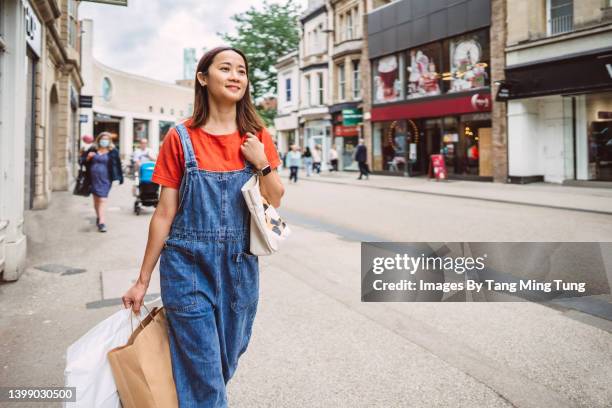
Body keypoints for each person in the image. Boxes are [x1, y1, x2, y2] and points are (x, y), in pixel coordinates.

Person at [121, 46, 284, 406]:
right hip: (187, 266)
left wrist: (262, 163)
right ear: (203, 78)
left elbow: (275, 199)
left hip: (240, 268)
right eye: (226, 68)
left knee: (224, 362)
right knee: (206, 375)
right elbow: (164, 213)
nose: (235, 76)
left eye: (241, 70)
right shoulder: (179, 137)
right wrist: (143, 279)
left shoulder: (256, 135)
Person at [80, 132, 124, 232]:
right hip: (92, 179)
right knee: (96, 200)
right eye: (102, 139)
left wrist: (120, 178)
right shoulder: (93, 149)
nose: (104, 141)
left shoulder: (113, 151)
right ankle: (99, 216)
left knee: (102, 199)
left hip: (106, 179)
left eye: (106, 139)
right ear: (99, 140)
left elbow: (118, 165)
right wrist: (88, 158)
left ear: (109, 141)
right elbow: (82, 161)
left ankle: (102, 222)